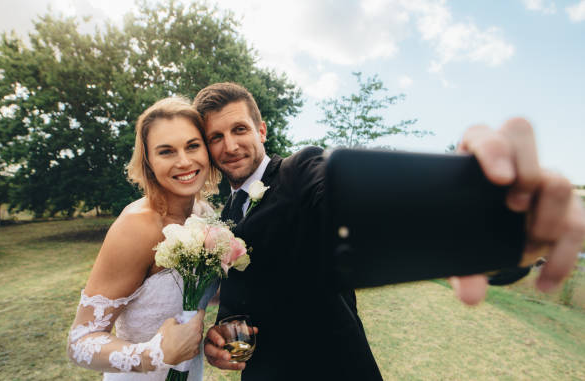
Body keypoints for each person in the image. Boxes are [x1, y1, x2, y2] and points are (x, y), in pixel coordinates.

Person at [194, 82, 585, 381]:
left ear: (261, 131)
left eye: (239, 129)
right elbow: (236, 303)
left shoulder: (299, 171)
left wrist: (486, 215)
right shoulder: (223, 217)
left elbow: (352, 202)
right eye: (216, 137)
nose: (230, 145)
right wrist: (219, 337)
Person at [67, 96, 220, 380]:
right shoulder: (136, 226)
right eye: (166, 151)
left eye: (192, 146)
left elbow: (201, 292)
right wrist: (154, 355)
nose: (184, 161)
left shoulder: (205, 215)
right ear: (148, 161)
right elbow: (79, 343)